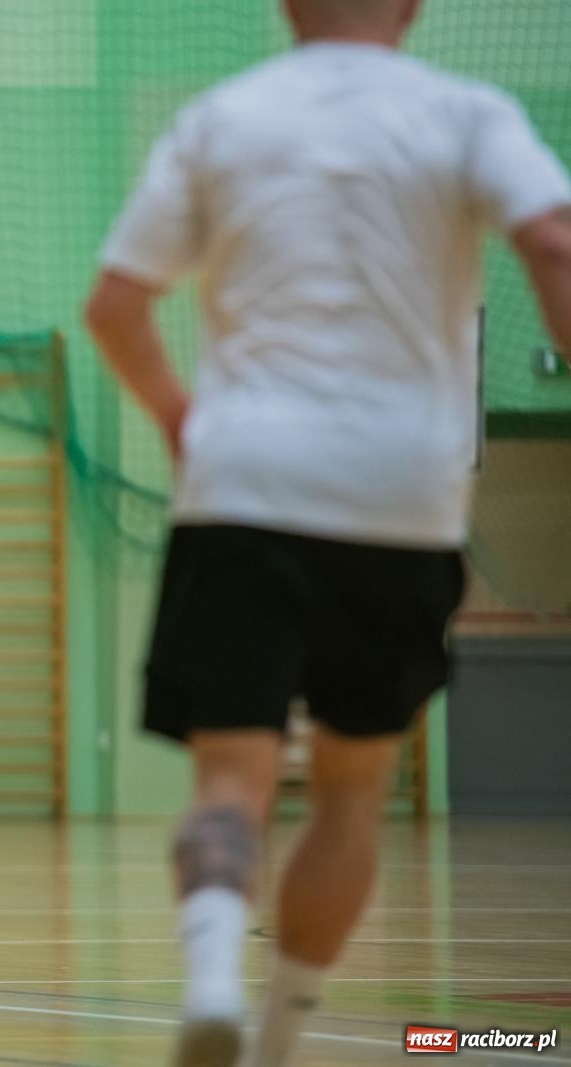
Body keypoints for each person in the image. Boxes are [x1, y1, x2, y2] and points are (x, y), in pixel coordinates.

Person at [84, 2, 571, 1064]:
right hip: (400, 499)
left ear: (286, 5)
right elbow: (550, 238)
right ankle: (275, 1034)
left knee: (228, 781)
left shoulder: (223, 116)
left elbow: (114, 306)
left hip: (245, 483)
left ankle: (212, 974)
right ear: (411, 6)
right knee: (350, 791)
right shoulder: (467, 112)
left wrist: (178, 419)